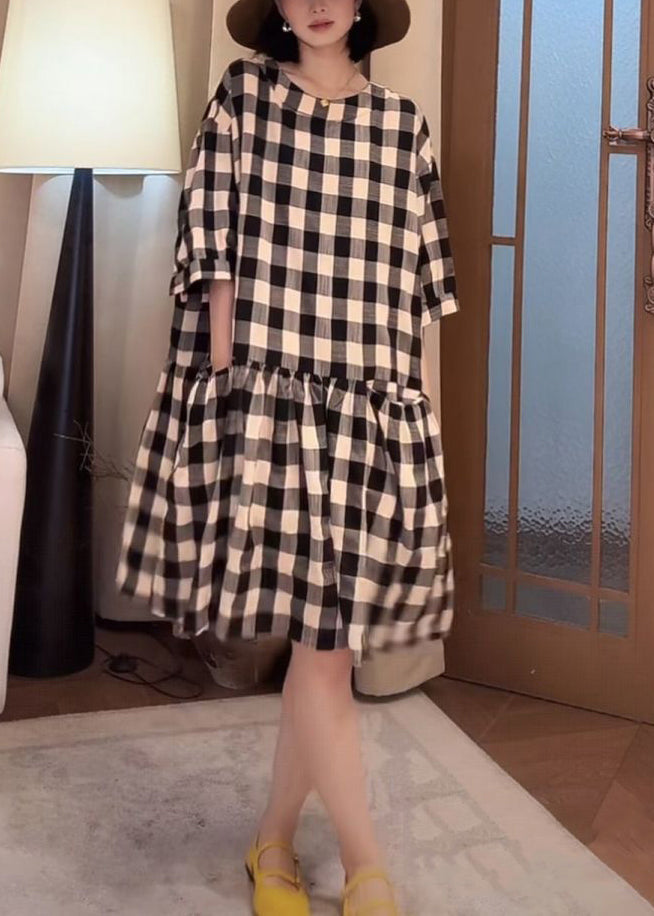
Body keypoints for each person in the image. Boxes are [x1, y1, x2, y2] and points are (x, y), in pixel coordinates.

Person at [115, 0, 459, 913]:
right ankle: (366, 863)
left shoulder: (404, 127)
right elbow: (214, 247)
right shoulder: (243, 96)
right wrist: (235, 384)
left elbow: (419, 287)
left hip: (368, 408)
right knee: (325, 651)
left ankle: (273, 841)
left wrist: (417, 415)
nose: (316, 3)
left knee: (325, 650)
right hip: (267, 397)